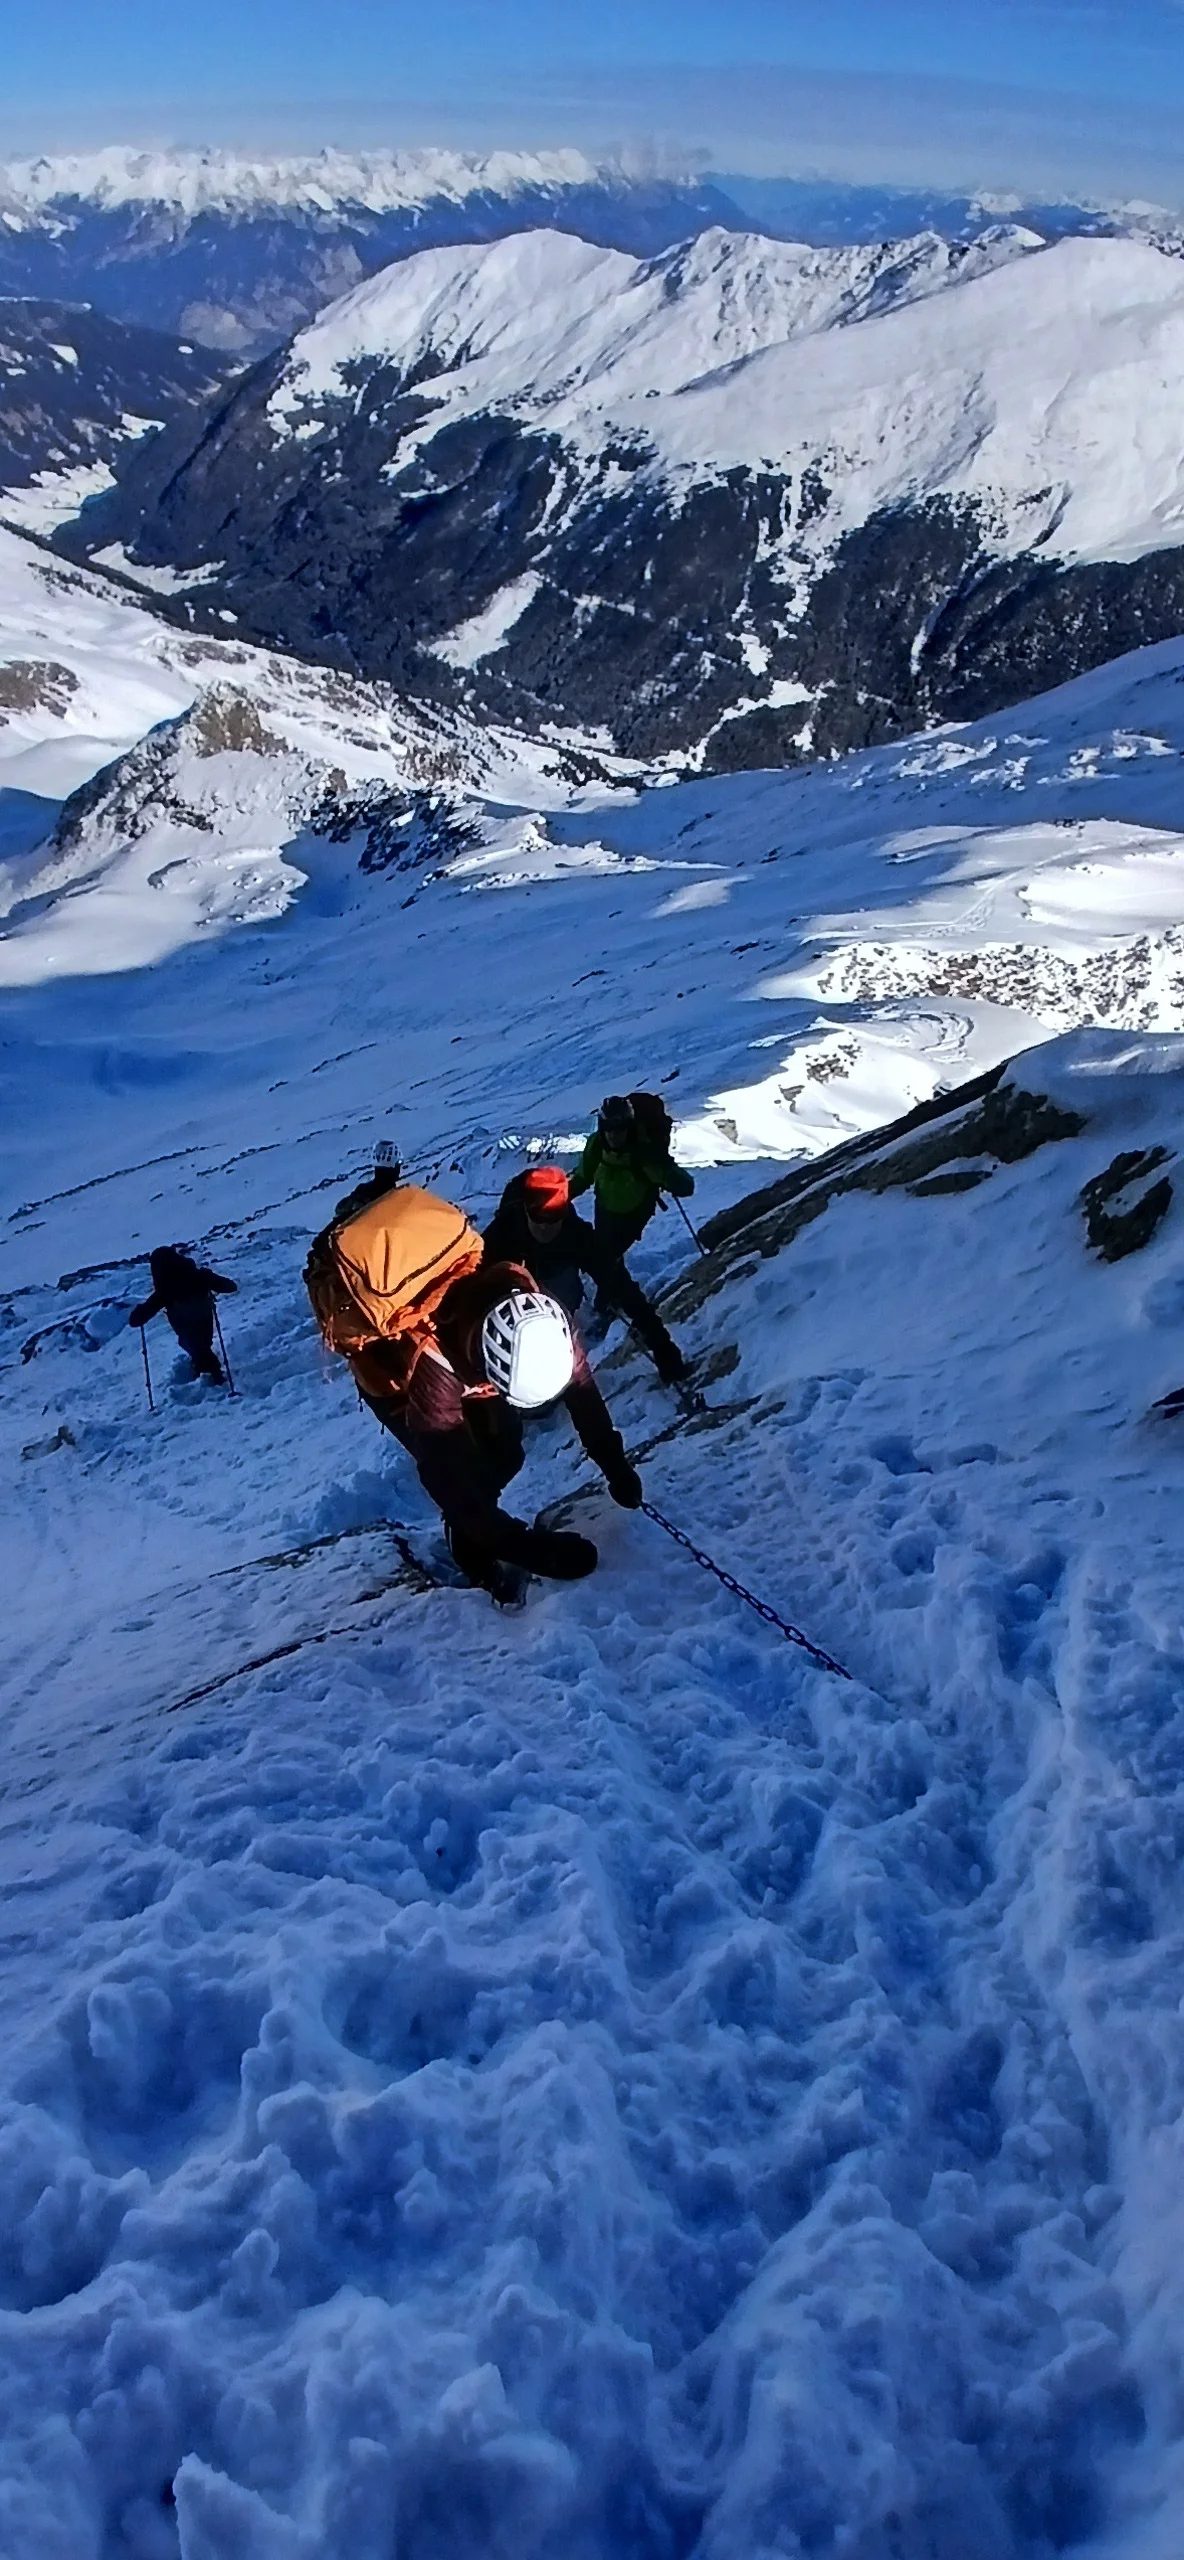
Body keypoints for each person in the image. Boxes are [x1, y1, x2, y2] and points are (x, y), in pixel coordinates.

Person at [350, 1255, 644, 1606]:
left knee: (504, 1451)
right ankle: (475, 1562)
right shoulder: (432, 1366)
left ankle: (477, 1531)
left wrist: (615, 1466)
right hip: (394, 1382)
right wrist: (531, 1551)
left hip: (466, 1355)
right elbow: (446, 1479)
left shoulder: (546, 1324)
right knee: (466, 1472)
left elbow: (583, 1394)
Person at [484, 1164, 687, 1385]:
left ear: (564, 1213)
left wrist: (661, 1345)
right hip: (513, 1287)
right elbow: (474, 1281)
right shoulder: (503, 1233)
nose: (544, 1226)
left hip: (555, 1281)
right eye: (537, 1217)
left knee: (559, 1306)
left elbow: (621, 1286)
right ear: (525, 1210)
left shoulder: (577, 1236)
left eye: (553, 1218)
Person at [569, 1095, 695, 1303]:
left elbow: (685, 1185)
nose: (613, 1135)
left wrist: (665, 1175)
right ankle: (612, 1298)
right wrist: (556, 1198)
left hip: (635, 1212)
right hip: (606, 1206)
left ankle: (608, 1302)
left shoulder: (645, 1152)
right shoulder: (597, 1144)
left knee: (609, 1255)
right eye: (609, 1129)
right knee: (607, 1253)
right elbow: (583, 1177)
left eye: (619, 1129)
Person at [128, 1246, 236, 1384]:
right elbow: (230, 1286)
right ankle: (210, 1374)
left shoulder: (166, 1288)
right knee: (201, 1345)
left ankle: (212, 1374)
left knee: (195, 1346)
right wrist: (211, 1278)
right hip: (204, 1317)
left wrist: (140, 1314)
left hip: (183, 1322)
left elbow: (142, 1314)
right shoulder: (198, 1275)